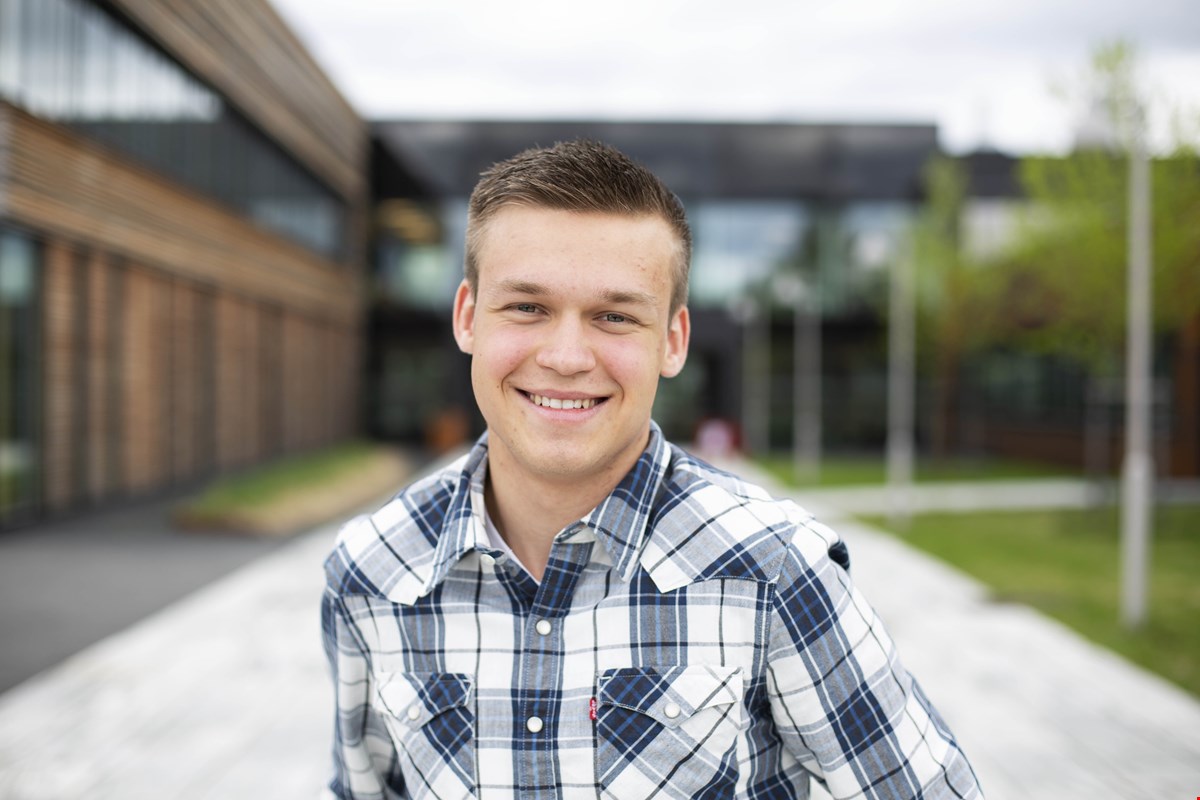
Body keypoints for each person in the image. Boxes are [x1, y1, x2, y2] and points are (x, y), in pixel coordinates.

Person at [322, 140, 982, 799]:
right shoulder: (369, 572)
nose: (567, 355)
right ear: (467, 317)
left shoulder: (776, 569)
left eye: (614, 316)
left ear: (673, 340)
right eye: (527, 307)